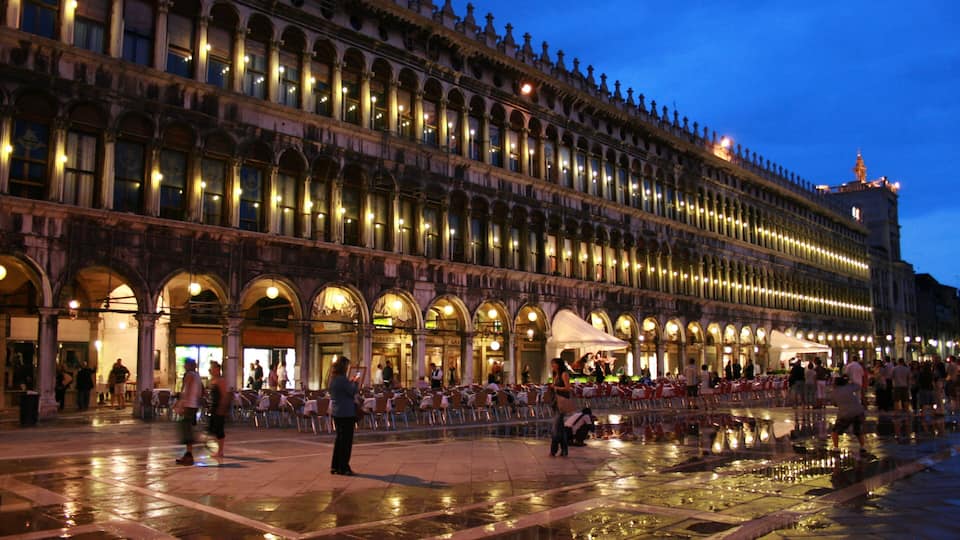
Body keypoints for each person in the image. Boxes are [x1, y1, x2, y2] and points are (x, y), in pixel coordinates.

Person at [329, 356, 360, 475]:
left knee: (339, 440)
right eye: (347, 366)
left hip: (337, 412)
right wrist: (355, 382)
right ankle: (344, 466)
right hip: (346, 412)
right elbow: (352, 392)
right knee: (346, 441)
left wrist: (350, 382)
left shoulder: (333, 379)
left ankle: (335, 465)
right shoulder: (342, 379)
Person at [175, 358, 203, 465]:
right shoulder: (197, 376)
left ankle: (189, 456)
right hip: (193, 405)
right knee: (188, 428)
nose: (184, 366)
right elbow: (200, 392)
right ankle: (188, 454)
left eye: (185, 364)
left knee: (186, 430)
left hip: (189, 405)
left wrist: (181, 404)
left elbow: (186, 390)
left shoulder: (190, 375)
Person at [831, 375, 867, 453]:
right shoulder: (849, 387)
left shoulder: (834, 392)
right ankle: (862, 446)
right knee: (858, 431)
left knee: (835, 431)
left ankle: (836, 447)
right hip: (858, 411)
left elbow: (834, 403)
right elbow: (858, 386)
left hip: (845, 414)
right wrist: (850, 381)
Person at [549, 357, 572, 457]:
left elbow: (567, 388)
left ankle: (553, 450)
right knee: (561, 428)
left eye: (554, 364)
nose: (552, 366)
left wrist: (556, 387)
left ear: (559, 365)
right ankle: (564, 450)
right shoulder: (555, 375)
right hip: (555, 402)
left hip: (561, 402)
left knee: (555, 428)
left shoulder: (564, 374)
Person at [207, 361, 229, 460]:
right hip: (213, 407)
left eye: (212, 368)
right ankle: (218, 450)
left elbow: (225, 395)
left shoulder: (221, 381)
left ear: (217, 369)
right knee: (213, 429)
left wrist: (222, 408)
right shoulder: (213, 380)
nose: (210, 370)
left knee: (219, 429)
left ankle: (220, 451)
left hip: (219, 407)